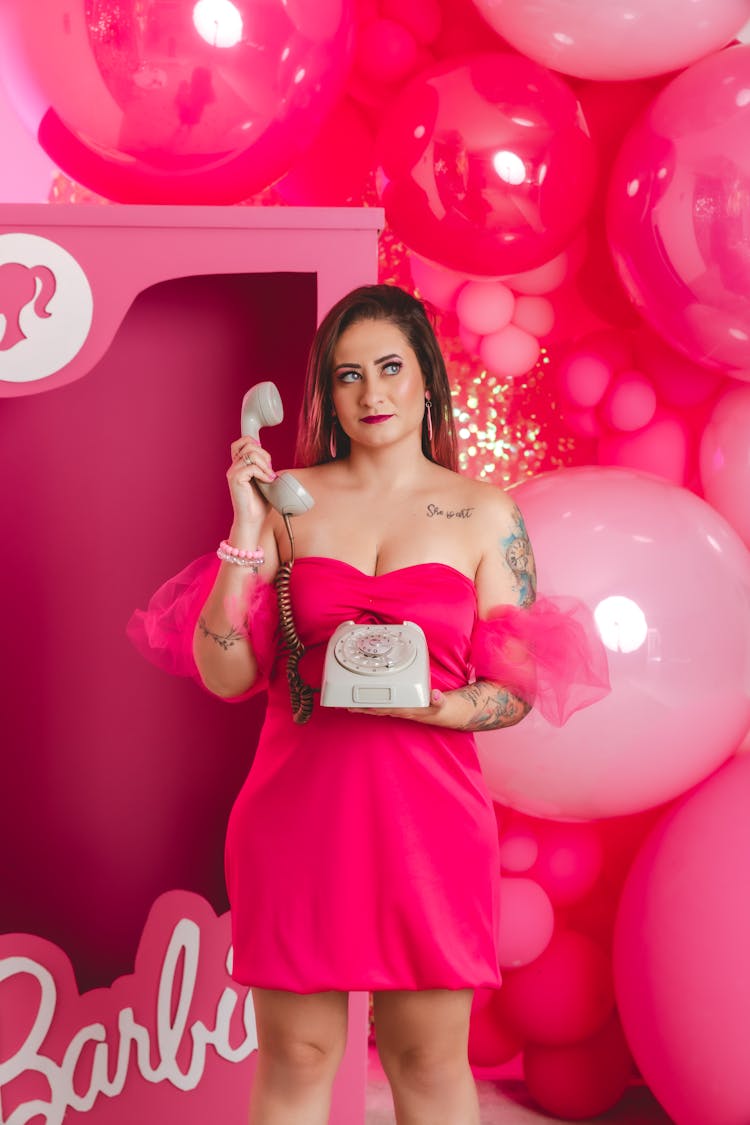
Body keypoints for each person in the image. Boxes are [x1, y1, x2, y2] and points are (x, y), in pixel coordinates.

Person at [130, 283, 609, 1125]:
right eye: (348, 376)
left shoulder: (483, 514)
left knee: (426, 1062)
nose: (372, 394)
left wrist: (435, 708)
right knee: (298, 1056)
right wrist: (246, 524)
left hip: (430, 822)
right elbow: (227, 674)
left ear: (428, 378)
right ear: (327, 393)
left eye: (390, 368)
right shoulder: (286, 501)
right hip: (297, 815)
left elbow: (518, 690)